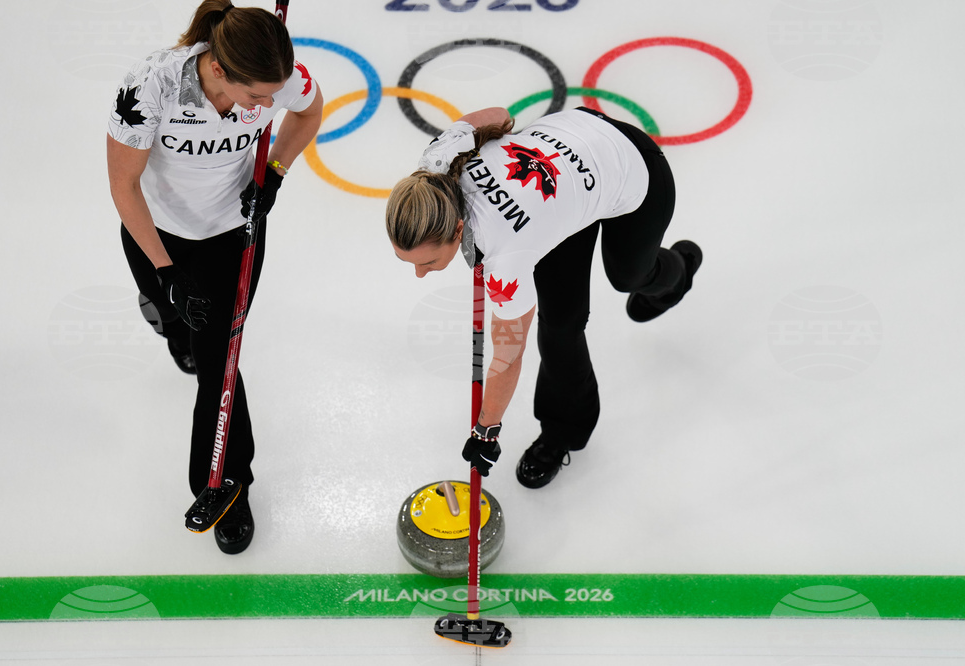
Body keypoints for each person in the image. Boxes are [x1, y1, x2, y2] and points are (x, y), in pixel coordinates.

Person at [386, 106, 700, 489]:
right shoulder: (435, 164)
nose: (420, 274)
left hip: (632, 168)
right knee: (561, 324)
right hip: (563, 186)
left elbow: (508, 355)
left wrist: (487, 429)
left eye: (429, 262)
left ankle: (679, 269)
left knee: (628, 276)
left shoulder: (507, 256)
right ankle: (562, 431)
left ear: (457, 228)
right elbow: (498, 114)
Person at [106, 0, 323, 553]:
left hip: (234, 234)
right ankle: (167, 316)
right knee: (180, 320)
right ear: (219, 70)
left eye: (273, 96)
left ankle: (226, 485)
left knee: (218, 364)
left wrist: (273, 173)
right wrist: (168, 274)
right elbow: (124, 188)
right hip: (158, 236)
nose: (268, 105)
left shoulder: (278, 80)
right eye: (258, 98)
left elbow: (309, 111)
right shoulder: (151, 85)